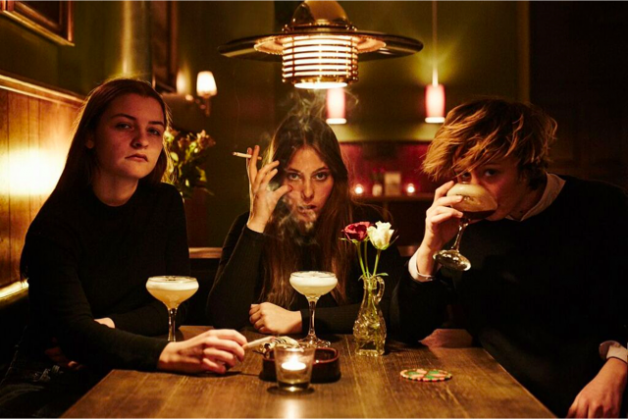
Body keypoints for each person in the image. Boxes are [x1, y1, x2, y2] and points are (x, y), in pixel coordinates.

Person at [0, 79, 246, 418]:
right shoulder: (56, 223)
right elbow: (73, 334)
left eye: (154, 130)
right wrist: (173, 354)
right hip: (46, 378)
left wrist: (107, 327)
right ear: (90, 136)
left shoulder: (165, 203)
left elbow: (174, 307)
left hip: (118, 365)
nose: (142, 139)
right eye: (124, 125)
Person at [398, 98, 627, 417]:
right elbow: (408, 329)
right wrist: (430, 246)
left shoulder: (602, 207)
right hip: (494, 399)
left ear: (528, 166)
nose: (473, 188)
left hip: (586, 399)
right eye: (463, 175)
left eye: (490, 172)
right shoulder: (463, 225)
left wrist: (617, 369)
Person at [207, 115, 408, 337]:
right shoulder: (250, 226)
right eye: (294, 176)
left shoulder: (364, 225)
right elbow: (223, 318)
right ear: (277, 179)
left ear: (335, 177)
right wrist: (257, 221)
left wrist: (301, 320)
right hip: (269, 356)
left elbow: (392, 309)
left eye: (320, 176)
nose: (308, 192)